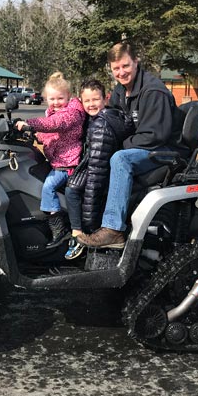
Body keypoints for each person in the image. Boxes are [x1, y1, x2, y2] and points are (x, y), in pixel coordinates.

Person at [76, 42, 187, 249]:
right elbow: (113, 122)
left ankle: (113, 229)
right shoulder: (120, 91)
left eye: (125, 66)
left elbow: (155, 135)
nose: (121, 72)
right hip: (145, 146)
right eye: (116, 68)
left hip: (167, 151)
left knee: (120, 159)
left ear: (136, 62)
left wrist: (119, 147)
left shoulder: (153, 91)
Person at [15, 72, 86, 248]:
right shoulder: (54, 112)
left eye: (60, 98)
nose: (56, 102)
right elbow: (51, 134)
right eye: (52, 99)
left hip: (68, 163)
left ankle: (59, 229)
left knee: (48, 186)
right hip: (58, 161)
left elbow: (54, 125)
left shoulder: (71, 113)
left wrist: (29, 123)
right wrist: (33, 135)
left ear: (68, 96)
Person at [63, 79, 130, 260]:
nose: (91, 104)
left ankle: (77, 235)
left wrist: (90, 223)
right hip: (99, 170)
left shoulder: (101, 125)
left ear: (106, 99)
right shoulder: (94, 119)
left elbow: (97, 173)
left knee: (71, 190)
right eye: (87, 101)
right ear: (80, 101)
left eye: (95, 100)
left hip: (104, 175)